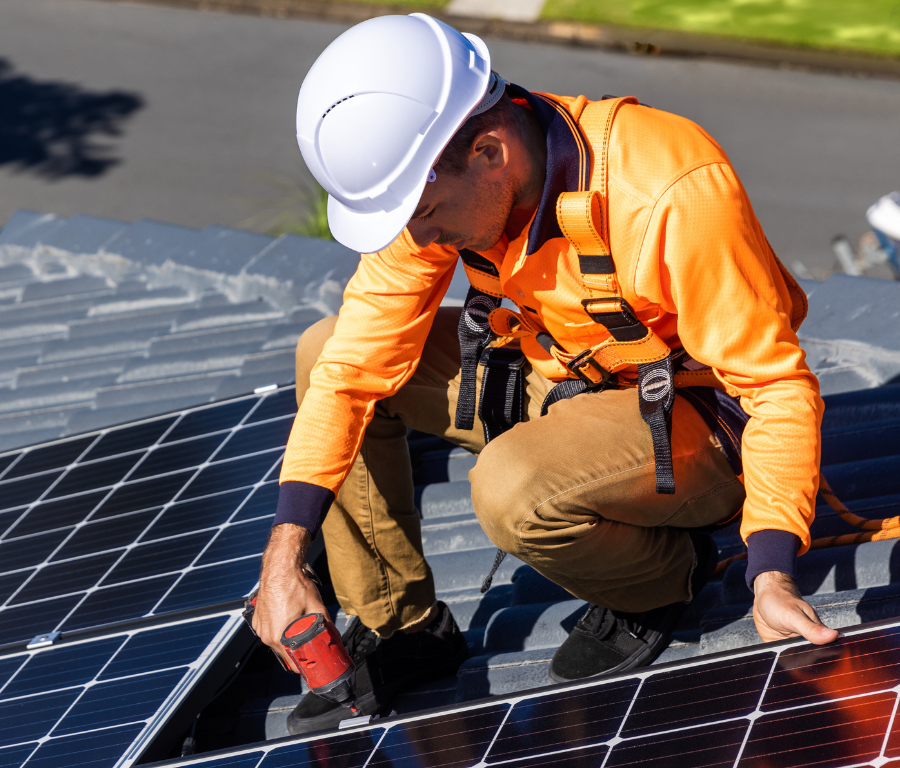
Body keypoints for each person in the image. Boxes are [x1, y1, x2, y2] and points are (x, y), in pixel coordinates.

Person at [251, 13, 838, 735]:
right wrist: (283, 557)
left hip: (696, 424)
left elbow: (775, 389)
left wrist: (771, 569)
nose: (421, 240)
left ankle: (659, 579)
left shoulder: (668, 188)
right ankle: (403, 625)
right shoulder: (444, 189)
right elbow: (347, 370)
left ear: (490, 151)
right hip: (565, 379)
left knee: (510, 488)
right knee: (323, 347)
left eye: (426, 213)